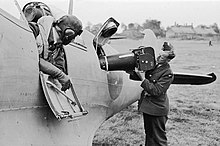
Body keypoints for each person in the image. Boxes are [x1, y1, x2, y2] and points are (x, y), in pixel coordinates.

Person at [137, 42, 175, 146]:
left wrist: (143, 79)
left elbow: (156, 91)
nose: (158, 57)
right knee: (150, 135)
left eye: (162, 57)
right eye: (159, 54)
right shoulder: (155, 65)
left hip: (157, 110)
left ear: (168, 60)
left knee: (158, 140)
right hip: (149, 108)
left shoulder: (168, 73)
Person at [35, 14, 83, 91]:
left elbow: (59, 67)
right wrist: (59, 74)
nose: (73, 40)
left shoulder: (58, 48)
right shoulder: (35, 31)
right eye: (73, 36)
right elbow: (31, 58)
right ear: (68, 33)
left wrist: (60, 79)